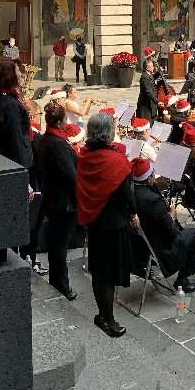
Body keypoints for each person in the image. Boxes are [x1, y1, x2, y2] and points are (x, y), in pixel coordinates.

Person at [76, 114, 137, 338]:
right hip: (112, 224)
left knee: (99, 272)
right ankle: (108, 319)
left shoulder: (85, 156)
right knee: (109, 275)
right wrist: (133, 213)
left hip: (94, 222)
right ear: (108, 133)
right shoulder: (115, 160)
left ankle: (102, 314)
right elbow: (126, 194)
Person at [132, 156, 195, 293]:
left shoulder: (130, 192)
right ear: (148, 178)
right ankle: (182, 280)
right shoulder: (153, 201)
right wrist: (172, 217)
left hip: (136, 247)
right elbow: (172, 232)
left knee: (186, 237)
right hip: (157, 249)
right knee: (193, 234)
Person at [37, 101, 78, 301]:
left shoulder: (46, 139)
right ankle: (62, 287)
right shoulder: (58, 144)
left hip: (53, 197)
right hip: (63, 202)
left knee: (56, 244)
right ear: (61, 122)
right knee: (60, 246)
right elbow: (71, 176)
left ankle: (57, 283)